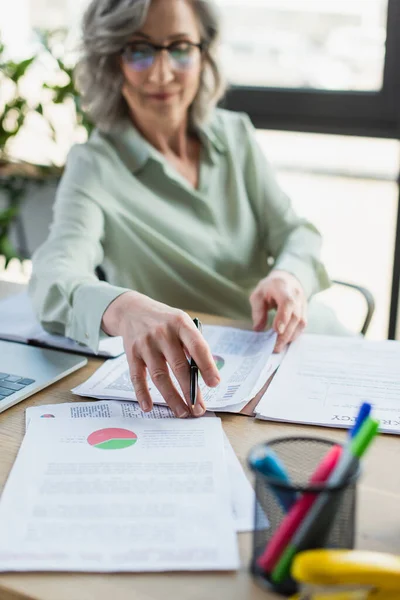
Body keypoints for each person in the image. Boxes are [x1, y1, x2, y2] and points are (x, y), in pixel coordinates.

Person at [29, 0, 343, 419]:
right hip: (227, 387)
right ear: (111, 62)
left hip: (314, 345)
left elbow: (296, 232)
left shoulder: (235, 136)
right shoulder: (95, 165)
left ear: (203, 52)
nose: (162, 73)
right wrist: (122, 308)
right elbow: (55, 275)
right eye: (138, 50)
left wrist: (289, 274)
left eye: (179, 47)